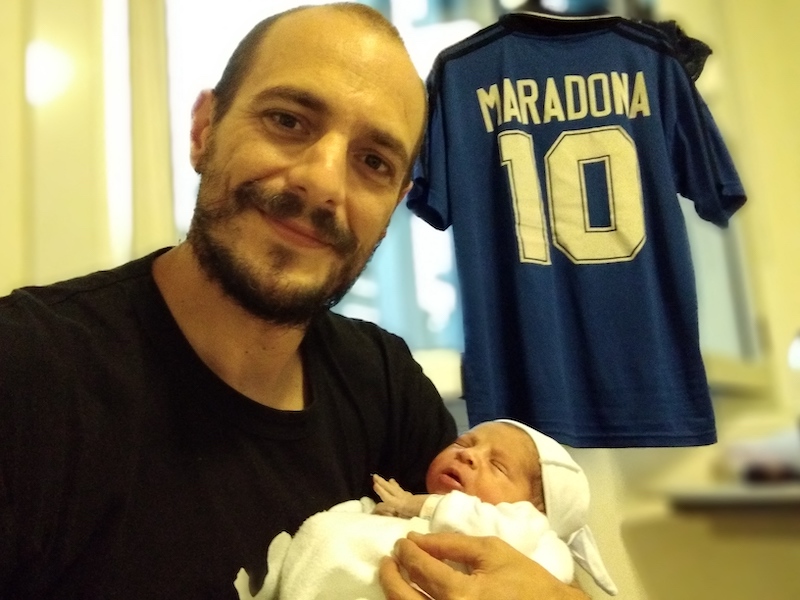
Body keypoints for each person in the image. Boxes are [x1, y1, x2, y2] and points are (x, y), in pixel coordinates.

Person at [0, 4, 590, 599]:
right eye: (287, 121)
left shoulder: (385, 384)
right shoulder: (26, 373)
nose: (324, 182)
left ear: (395, 203)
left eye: (373, 162)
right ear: (204, 131)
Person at [235, 419, 616, 599]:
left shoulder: (532, 535)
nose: (467, 455)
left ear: (540, 510)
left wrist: (419, 504)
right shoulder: (413, 512)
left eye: (498, 466)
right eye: (463, 442)